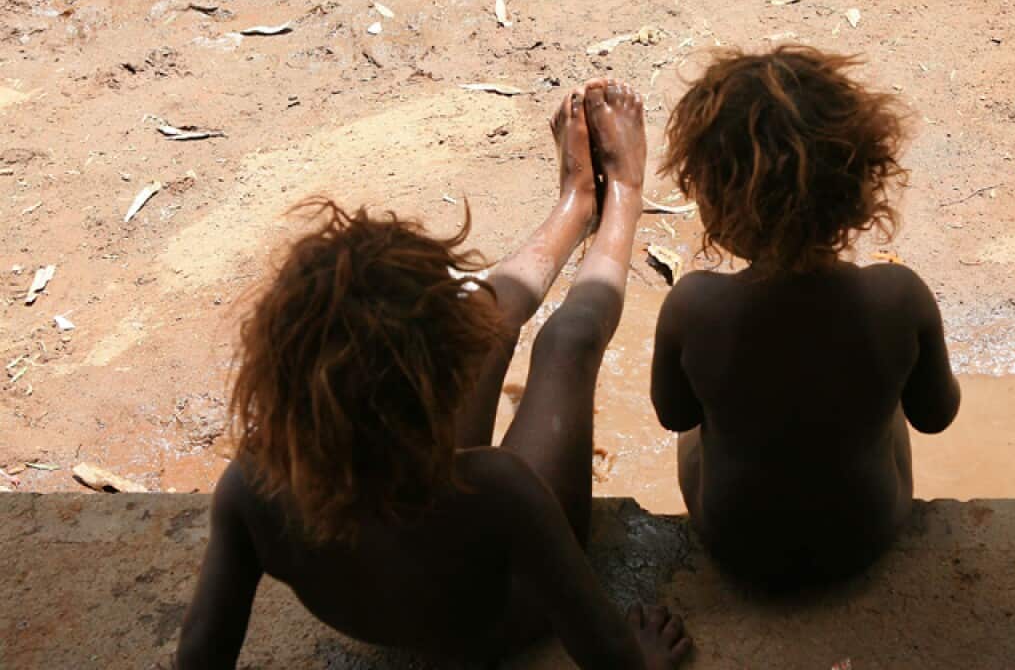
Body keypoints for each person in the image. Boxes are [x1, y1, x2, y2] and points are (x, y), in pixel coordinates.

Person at [176, 80, 692, 669]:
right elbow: (608, 658)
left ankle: (575, 205)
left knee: (480, 314)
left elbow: (199, 658)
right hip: (500, 621)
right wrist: (642, 660)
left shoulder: (252, 487)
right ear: (447, 384)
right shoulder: (499, 488)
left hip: (405, 571)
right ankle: (621, 196)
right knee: (564, 345)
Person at [649, 46, 962, 588]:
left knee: (709, 415)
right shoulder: (898, 296)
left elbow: (675, 416)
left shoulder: (693, 306)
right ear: (861, 187)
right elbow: (935, 414)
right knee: (883, 401)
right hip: (866, 535)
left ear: (716, 202)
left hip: (735, 543)